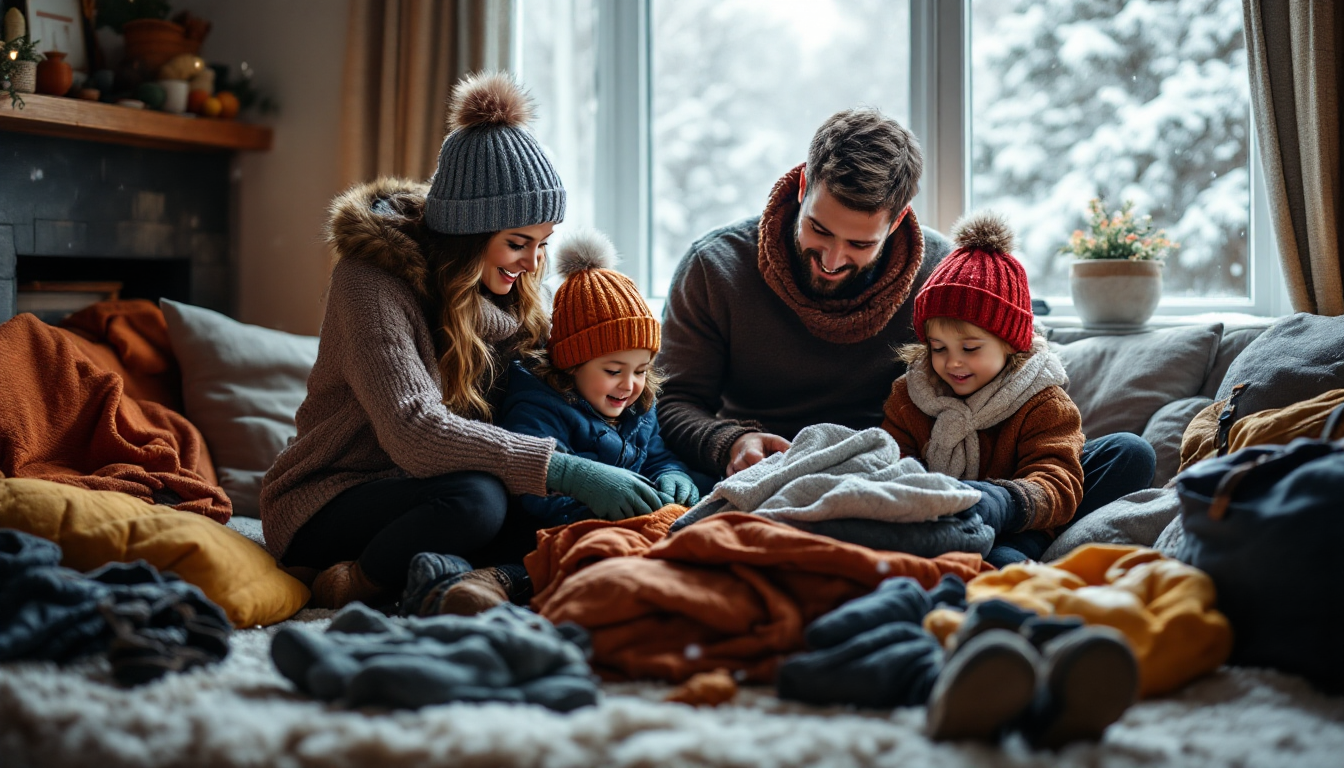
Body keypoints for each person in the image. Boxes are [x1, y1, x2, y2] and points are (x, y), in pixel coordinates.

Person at [259, 72, 664, 612]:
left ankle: (454, 580)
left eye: (543, 243)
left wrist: (655, 463)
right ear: (471, 232)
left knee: (544, 510)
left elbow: (567, 384)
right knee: (479, 499)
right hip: (332, 495)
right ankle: (353, 581)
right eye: (518, 243)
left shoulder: (513, 293)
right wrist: (566, 469)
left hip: (434, 487)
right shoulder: (369, 282)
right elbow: (413, 430)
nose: (533, 263)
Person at [658, 107, 952, 483]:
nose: (832, 260)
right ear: (803, 188)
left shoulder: (941, 275)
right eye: (819, 229)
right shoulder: (714, 268)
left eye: (860, 244)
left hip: (888, 477)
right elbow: (672, 401)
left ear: (896, 222)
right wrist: (732, 442)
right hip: (758, 477)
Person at [880, 211, 1086, 567]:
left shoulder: (1044, 402)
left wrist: (999, 502)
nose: (953, 362)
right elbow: (892, 461)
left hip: (1020, 519)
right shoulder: (910, 396)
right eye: (938, 348)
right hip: (942, 521)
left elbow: (1055, 478)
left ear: (1010, 344)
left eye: (970, 348)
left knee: (1128, 453)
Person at [498, 227, 700, 527]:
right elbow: (535, 492)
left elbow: (656, 456)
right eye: (613, 371)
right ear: (572, 364)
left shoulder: (640, 407)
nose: (629, 384)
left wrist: (673, 474)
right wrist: (601, 515)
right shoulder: (539, 408)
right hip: (565, 527)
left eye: (641, 371)